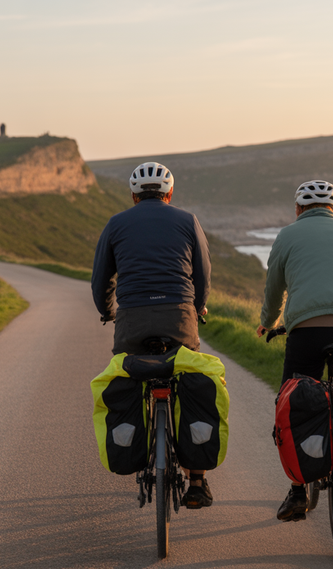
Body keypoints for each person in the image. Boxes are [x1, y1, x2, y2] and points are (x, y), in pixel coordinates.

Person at [91, 161, 214, 508]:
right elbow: (203, 272)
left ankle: (136, 449)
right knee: (190, 380)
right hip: (180, 316)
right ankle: (198, 481)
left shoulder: (116, 223)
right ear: (170, 194)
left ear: (133, 195)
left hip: (132, 320)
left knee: (129, 377)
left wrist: (107, 311)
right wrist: (198, 306)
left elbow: (101, 278)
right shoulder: (187, 220)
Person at [256, 180, 333, 522]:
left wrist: (269, 321)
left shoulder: (287, 235)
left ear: (298, 209)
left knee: (293, 402)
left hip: (307, 328)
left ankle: (297, 490)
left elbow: (275, 287)